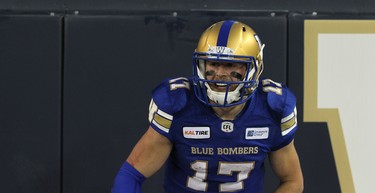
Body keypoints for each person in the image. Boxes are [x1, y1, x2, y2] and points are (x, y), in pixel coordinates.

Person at [111, 20, 304, 193]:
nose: (220, 73)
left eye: (230, 65)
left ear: (253, 69)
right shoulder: (177, 105)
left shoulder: (273, 109)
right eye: (213, 63)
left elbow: (293, 181)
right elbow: (131, 175)